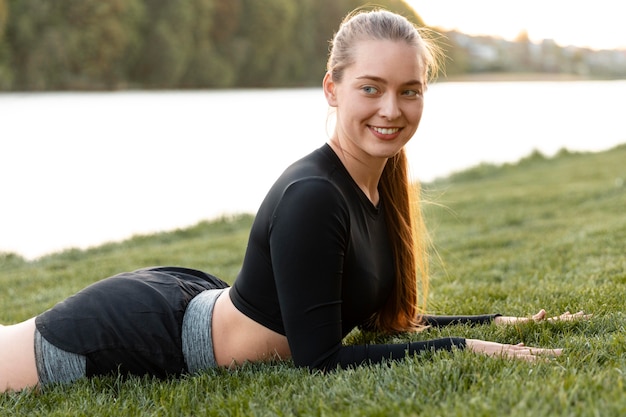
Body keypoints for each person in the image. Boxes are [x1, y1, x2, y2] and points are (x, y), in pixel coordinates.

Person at [0, 9, 587, 394]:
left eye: (409, 91)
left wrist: (500, 323)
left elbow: (375, 323)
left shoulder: (377, 184)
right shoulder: (314, 195)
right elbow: (321, 360)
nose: (391, 109)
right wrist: (466, 346)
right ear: (332, 89)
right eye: (370, 88)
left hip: (188, 300)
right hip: (140, 331)